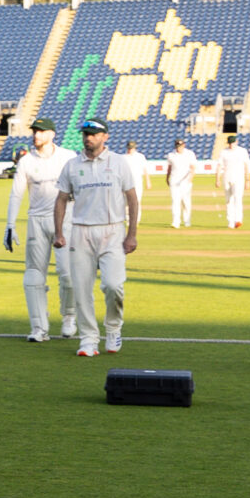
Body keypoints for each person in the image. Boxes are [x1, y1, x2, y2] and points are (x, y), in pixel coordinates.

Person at [51, 118, 143, 356]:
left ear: (105, 137)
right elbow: (61, 199)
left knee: (113, 285)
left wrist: (132, 234)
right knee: (81, 288)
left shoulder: (119, 163)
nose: (88, 138)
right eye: (85, 134)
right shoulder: (72, 165)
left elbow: (132, 198)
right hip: (81, 231)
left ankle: (113, 329)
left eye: (93, 134)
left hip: (112, 231)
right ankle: (89, 339)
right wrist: (59, 232)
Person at [2, 118, 78, 342]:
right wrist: (10, 225)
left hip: (66, 220)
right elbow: (16, 194)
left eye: (41, 132)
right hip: (37, 220)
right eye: (34, 131)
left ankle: (69, 316)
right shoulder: (26, 161)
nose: (36, 135)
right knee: (33, 276)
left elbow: (81, 188)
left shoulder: (68, 157)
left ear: (52, 134)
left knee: (68, 274)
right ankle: (39, 327)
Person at [215, 137, 250, 228]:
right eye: (230, 143)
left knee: (238, 199)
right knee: (228, 201)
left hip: (239, 178)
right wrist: (217, 179)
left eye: (233, 143)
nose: (231, 145)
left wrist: (247, 180)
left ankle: (238, 220)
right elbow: (219, 166)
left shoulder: (242, 151)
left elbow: (246, 166)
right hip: (227, 178)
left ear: (236, 142)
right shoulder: (224, 152)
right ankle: (230, 222)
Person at [166, 138, 198, 228]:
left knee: (186, 201)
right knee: (175, 201)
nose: (179, 148)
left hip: (185, 181)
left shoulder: (190, 154)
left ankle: (187, 220)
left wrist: (191, 178)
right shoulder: (171, 155)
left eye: (180, 146)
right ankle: (176, 221)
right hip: (174, 180)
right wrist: (167, 178)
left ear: (184, 145)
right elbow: (169, 168)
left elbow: (193, 167)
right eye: (177, 146)